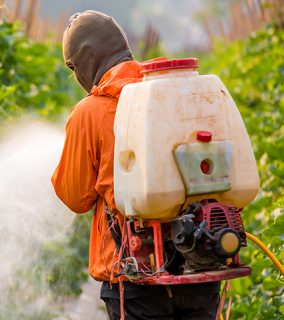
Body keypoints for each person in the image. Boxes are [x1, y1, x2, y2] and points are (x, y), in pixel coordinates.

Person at [51, 10, 221, 320]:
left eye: (74, 68)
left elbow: (75, 197)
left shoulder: (89, 112)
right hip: (199, 264)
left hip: (133, 277)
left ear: (87, 59)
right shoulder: (172, 92)